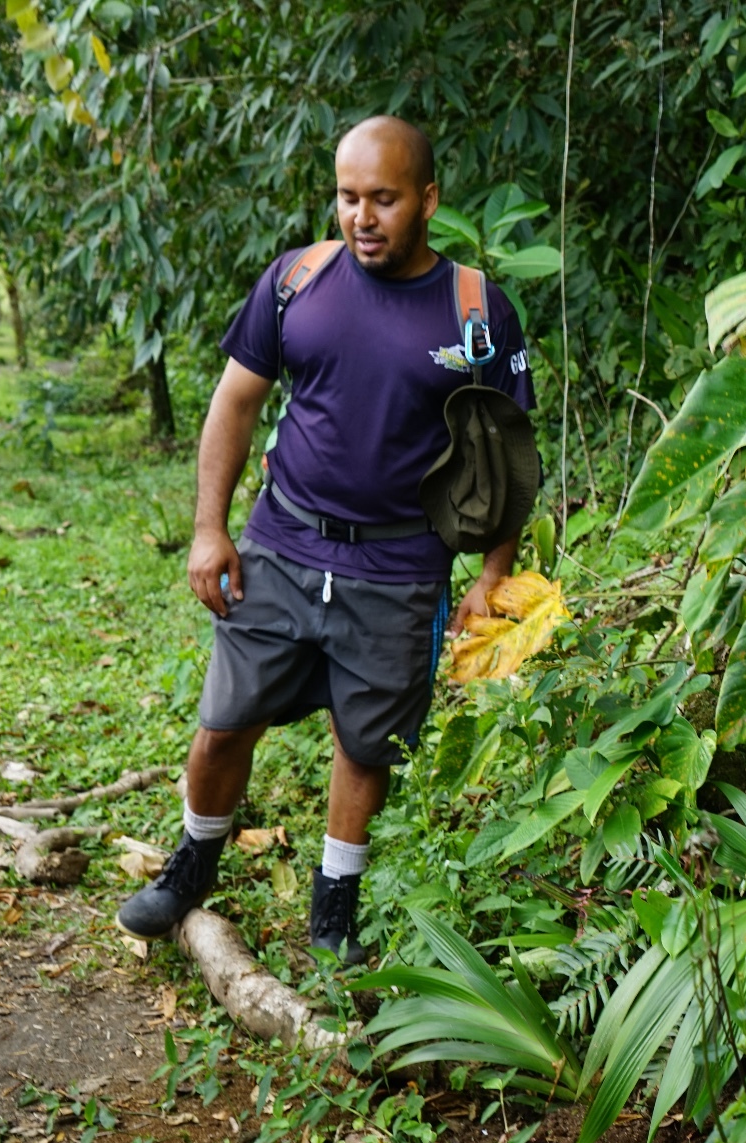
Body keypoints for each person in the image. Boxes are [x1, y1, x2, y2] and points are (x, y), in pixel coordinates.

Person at [116, 115, 535, 963]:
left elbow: (507, 457)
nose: (362, 217)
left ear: (427, 200)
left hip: (400, 563)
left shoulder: (475, 310)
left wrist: (493, 574)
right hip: (284, 542)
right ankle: (194, 864)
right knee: (225, 722)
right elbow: (233, 404)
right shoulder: (296, 282)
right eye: (348, 197)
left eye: (383, 199)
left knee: (364, 743)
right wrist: (209, 530)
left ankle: (333, 908)